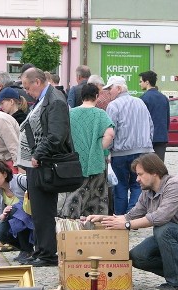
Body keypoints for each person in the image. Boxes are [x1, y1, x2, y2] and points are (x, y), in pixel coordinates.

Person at [85, 153, 178, 290]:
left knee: (163, 228)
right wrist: (102, 218)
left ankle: (177, 283)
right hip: (172, 239)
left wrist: (127, 226)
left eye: (140, 174)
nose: (137, 179)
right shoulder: (148, 191)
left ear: (154, 173)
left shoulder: (175, 185)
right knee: (136, 256)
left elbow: (160, 217)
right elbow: (131, 216)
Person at [18, 67, 72, 267]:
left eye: (27, 87)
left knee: (44, 210)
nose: (26, 92)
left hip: (45, 162)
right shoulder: (44, 98)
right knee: (37, 210)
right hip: (37, 162)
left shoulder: (55, 100)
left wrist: (38, 154)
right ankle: (41, 249)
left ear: (37, 82)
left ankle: (48, 253)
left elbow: (57, 134)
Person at [58, 83, 114, 218]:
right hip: (96, 162)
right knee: (97, 195)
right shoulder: (101, 114)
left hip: (74, 161)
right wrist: (99, 148)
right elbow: (110, 134)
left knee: (75, 192)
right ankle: (94, 223)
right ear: (96, 96)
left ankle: (71, 221)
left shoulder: (71, 113)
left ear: (82, 96)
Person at [103, 75, 154, 214]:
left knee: (120, 186)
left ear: (118, 89)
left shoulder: (113, 106)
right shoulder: (140, 102)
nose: (108, 92)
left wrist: (107, 151)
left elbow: (111, 131)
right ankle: (133, 214)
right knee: (138, 185)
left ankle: (121, 216)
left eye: (110, 89)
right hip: (143, 151)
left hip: (121, 153)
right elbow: (150, 126)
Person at [0, 160, 34, 263]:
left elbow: (36, 186)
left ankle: (27, 249)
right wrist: (2, 216)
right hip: (18, 220)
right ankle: (25, 249)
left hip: (33, 218)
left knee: (15, 210)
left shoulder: (20, 180)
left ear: (4, 174)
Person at [139, 70, 170, 161]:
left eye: (141, 81)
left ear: (147, 82)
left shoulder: (143, 98)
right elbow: (167, 119)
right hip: (162, 137)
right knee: (159, 166)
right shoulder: (164, 98)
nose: (139, 84)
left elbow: (141, 121)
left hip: (147, 139)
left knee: (147, 166)